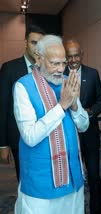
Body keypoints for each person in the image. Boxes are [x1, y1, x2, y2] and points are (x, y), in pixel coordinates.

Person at [13, 35, 89, 213]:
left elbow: (84, 126)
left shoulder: (66, 82)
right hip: (40, 182)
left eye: (63, 63)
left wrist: (75, 104)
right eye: (54, 63)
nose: (61, 69)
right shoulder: (23, 87)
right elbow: (30, 136)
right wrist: (62, 106)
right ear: (38, 59)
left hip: (72, 179)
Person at [64, 39, 101, 214]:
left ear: (82, 55)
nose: (73, 60)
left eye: (76, 55)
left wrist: (89, 113)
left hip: (90, 134)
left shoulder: (92, 74)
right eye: (69, 56)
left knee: (94, 177)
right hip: (69, 136)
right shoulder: (59, 75)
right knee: (71, 178)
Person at [0, 25, 45, 181]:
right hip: (19, 137)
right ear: (25, 43)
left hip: (44, 134)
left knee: (42, 175)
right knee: (25, 179)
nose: (37, 48)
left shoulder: (48, 69)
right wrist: (2, 144)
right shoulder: (9, 69)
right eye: (33, 43)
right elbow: (3, 107)